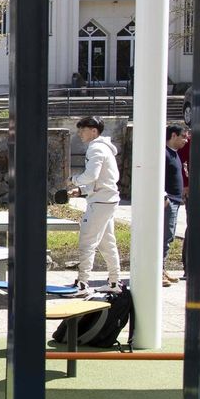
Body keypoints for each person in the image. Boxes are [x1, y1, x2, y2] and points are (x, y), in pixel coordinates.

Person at [66, 116, 122, 296]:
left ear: (94, 131)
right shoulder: (104, 148)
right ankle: (114, 281)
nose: (80, 133)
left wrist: (74, 180)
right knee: (107, 243)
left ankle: (82, 284)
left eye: (83, 129)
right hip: (107, 199)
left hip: (100, 202)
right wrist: (82, 190)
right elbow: (101, 178)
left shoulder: (96, 148)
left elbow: (91, 175)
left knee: (87, 242)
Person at [163, 124, 188, 287]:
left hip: (176, 199)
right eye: (183, 137)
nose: (185, 140)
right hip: (168, 200)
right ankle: (157, 271)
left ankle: (161, 269)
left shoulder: (175, 154)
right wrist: (163, 195)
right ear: (173, 136)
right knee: (165, 236)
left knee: (169, 236)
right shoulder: (163, 154)